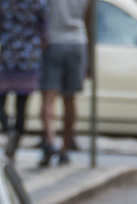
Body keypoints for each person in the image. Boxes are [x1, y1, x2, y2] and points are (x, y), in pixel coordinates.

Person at [0, 0, 48, 163]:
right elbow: (45, 34)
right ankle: (14, 142)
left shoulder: (3, 2)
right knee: (21, 107)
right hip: (28, 60)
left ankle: (10, 133)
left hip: (8, 58)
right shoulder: (38, 3)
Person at [40, 0, 91, 167]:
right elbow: (88, 18)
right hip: (77, 41)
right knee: (69, 99)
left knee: (48, 98)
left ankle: (50, 140)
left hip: (53, 41)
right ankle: (64, 149)